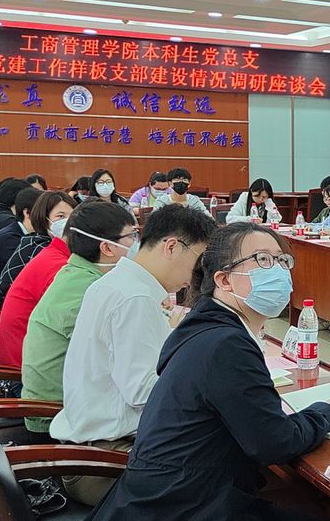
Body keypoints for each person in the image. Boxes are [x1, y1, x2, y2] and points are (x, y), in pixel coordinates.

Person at [89, 223, 330, 521]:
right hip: (182, 506)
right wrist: (329, 412)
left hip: (168, 497)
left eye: (282, 260)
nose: (278, 270)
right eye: (263, 260)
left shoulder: (205, 325)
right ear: (224, 280)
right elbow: (275, 443)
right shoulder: (226, 343)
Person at [50, 205, 216, 506]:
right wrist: (206, 383)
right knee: (225, 466)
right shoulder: (134, 298)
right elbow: (143, 392)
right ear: (171, 247)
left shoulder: (118, 282)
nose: (198, 275)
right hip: (105, 463)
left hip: (89, 452)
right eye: (199, 260)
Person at [20, 200, 138, 440]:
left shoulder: (78, 272)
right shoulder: (88, 288)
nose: (137, 244)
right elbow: (119, 358)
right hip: (57, 418)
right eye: (131, 236)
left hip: (65, 403)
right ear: (107, 247)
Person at [0, 191, 77, 301]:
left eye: (72, 216)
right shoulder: (37, 247)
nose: (68, 222)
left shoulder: (39, 240)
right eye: (60, 216)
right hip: (7, 306)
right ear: (44, 219)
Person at [0, 187, 42, 297]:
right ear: (27, 213)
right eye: (42, 212)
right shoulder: (10, 238)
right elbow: (28, 272)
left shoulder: (25, 233)